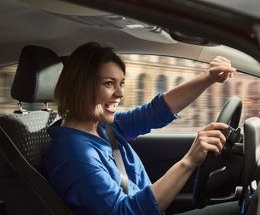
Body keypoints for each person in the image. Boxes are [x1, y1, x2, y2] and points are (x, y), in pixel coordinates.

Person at [43, 42, 236, 215]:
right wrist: (189, 161)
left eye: (122, 83)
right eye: (109, 83)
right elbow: (124, 212)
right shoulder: (73, 154)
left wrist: (208, 78)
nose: (120, 93)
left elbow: (154, 112)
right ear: (80, 87)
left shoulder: (104, 127)